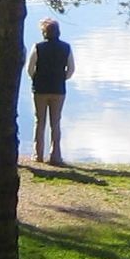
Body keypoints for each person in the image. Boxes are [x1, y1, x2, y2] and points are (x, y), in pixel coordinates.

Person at [27, 17, 74, 166]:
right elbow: (71, 69)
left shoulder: (38, 47)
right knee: (56, 122)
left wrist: (36, 79)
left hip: (40, 89)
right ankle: (56, 155)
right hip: (58, 89)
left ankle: (38, 154)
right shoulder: (66, 47)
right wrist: (62, 79)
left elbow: (30, 69)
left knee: (39, 121)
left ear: (44, 32)